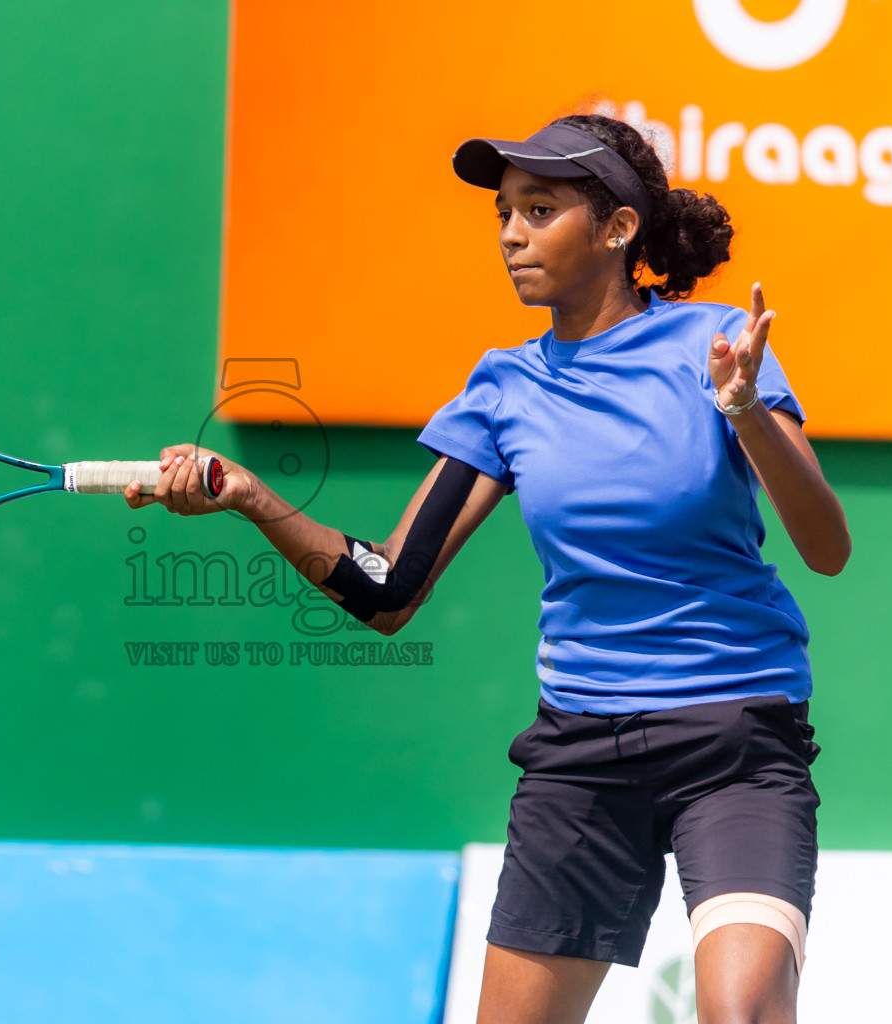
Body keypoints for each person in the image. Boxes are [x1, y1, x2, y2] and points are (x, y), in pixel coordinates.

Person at [127, 112, 850, 1023]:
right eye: (505, 213)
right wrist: (250, 497)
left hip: (736, 739)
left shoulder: (716, 346)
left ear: (619, 229)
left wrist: (743, 409)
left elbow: (826, 548)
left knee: (741, 1015)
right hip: (583, 756)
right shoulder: (505, 389)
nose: (511, 233)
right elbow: (387, 590)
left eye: (539, 210)